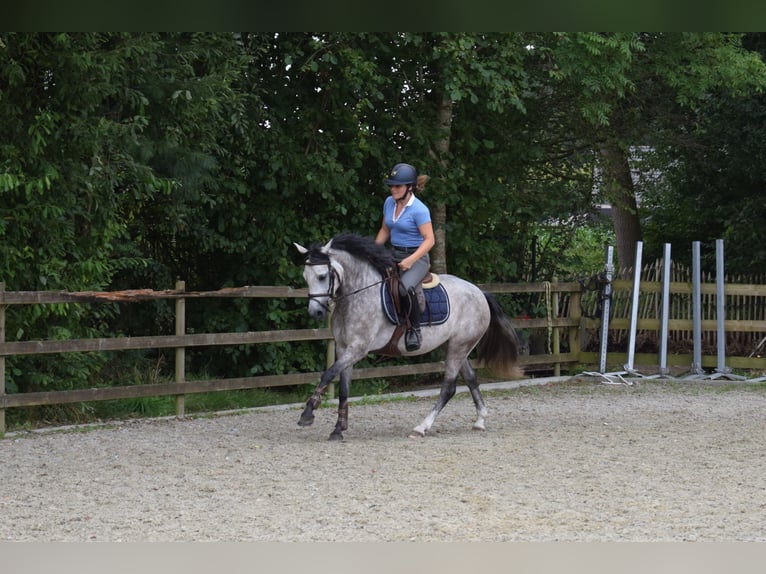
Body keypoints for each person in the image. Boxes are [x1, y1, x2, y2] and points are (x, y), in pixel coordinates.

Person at [375, 162, 435, 351]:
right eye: (391, 185)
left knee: (404, 289)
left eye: (397, 186)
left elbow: (429, 240)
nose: (393, 189)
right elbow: (385, 229)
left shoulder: (419, 209)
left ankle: (414, 330)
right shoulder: (389, 202)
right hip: (394, 253)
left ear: (409, 187)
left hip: (417, 257)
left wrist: (410, 260)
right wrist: (372, 251)